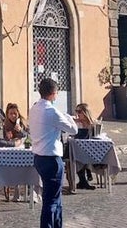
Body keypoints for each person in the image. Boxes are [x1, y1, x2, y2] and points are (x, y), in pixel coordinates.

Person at [29, 78, 77, 228]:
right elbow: (73, 129)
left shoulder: (34, 108)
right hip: (51, 159)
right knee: (51, 200)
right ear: (53, 93)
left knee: (55, 198)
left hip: (39, 157)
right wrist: (68, 117)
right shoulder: (53, 112)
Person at [72, 103, 97, 190]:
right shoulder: (75, 123)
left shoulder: (92, 124)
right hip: (77, 148)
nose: (77, 114)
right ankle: (83, 180)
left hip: (89, 148)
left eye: (79, 111)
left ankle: (85, 178)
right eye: (76, 111)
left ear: (85, 113)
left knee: (87, 156)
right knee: (78, 157)